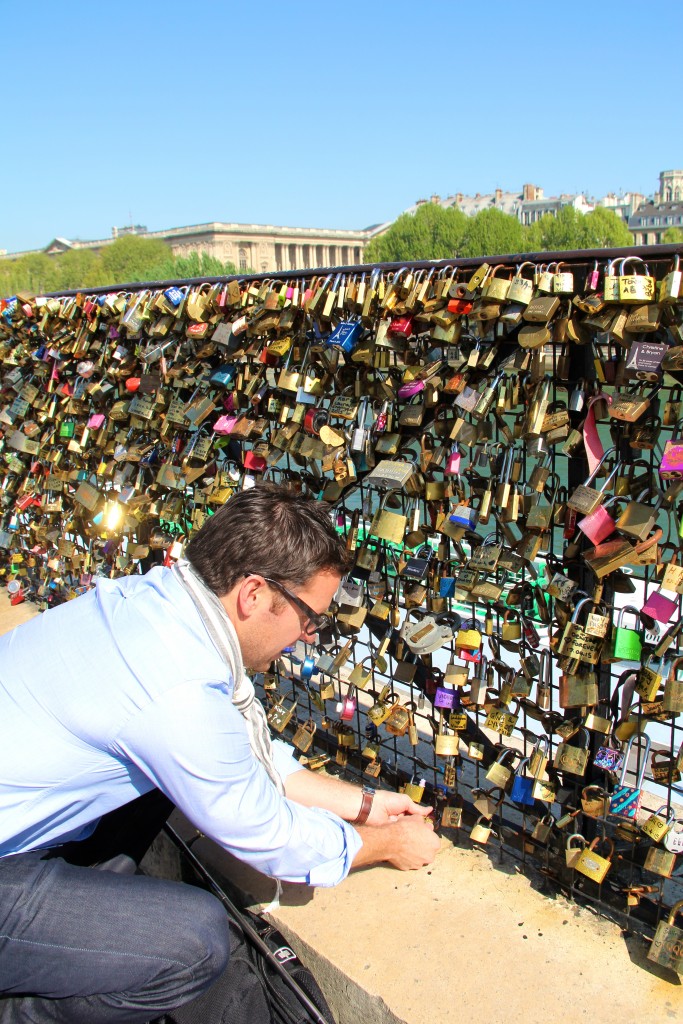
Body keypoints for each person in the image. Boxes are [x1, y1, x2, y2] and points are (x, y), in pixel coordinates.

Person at [0, 483, 439, 1023]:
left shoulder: (156, 602)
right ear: (253, 594)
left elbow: (237, 752)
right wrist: (385, 843)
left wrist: (364, 804)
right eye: (309, 618)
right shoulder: (177, 689)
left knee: (154, 795)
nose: (307, 636)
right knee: (196, 942)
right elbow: (267, 836)